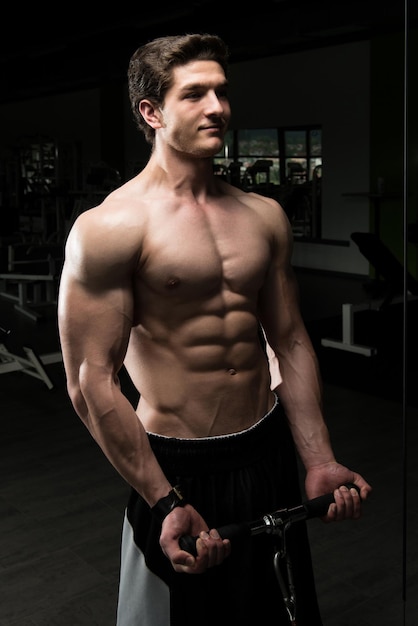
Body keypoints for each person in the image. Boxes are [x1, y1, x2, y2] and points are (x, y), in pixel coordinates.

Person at [58, 33, 372, 626]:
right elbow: (89, 380)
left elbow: (291, 341)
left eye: (222, 92)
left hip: (266, 447)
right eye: (195, 94)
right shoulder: (110, 228)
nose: (217, 108)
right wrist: (162, 499)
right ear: (151, 113)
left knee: (279, 611)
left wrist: (319, 458)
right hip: (178, 466)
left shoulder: (263, 216)